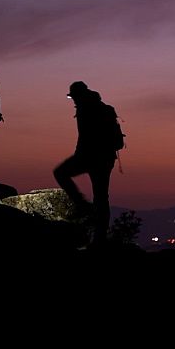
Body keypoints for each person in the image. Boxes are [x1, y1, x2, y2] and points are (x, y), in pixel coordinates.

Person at [54, 81, 118, 247]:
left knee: (60, 173)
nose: (73, 101)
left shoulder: (86, 109)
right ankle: (100, 236)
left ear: (79, 95)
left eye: (73, 97)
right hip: (105, 158)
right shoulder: (100, 107)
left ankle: (83, 206)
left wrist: (80, 155)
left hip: (92, 157)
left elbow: (86, 136)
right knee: (101, 196)